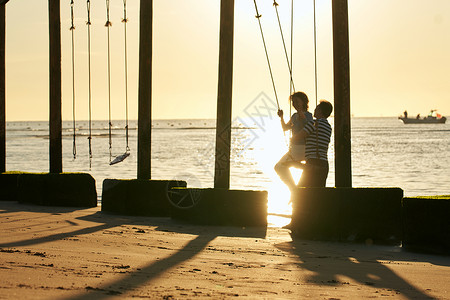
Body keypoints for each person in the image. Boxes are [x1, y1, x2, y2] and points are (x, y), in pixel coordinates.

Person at [274, 91, 313, 191]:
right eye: (293, 102)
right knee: (278, 167)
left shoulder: (308, 115)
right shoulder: (294, 116)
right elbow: (285, 128)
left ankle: (295, 186)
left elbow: (308, 126)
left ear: (304, 102)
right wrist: (281, 117)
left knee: (280, 166)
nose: (294, 104)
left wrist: (301, 113)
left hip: (303, 147)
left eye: (296, 101)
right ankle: (293, 187)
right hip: (294, 149)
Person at [296, 99, 333, 187]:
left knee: (301, 191)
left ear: (320, 111)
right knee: (318, 193)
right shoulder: (328, 127)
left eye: (316, 108)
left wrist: (291, 138)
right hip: (324, 164)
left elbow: (298, 137)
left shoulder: (314, 123)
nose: (314, 110)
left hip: (313, 162)